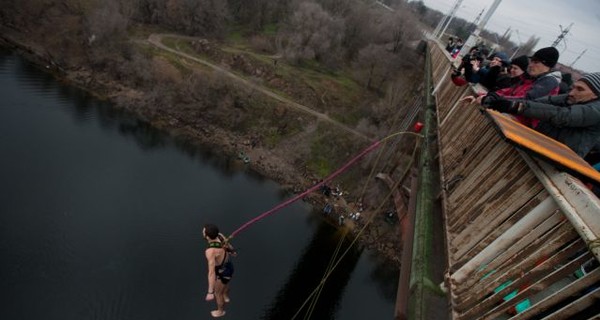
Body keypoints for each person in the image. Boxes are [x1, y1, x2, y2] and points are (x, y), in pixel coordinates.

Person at [481, 72, 600, 158]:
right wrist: (499, 100)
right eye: (573, 87)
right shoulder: (571, 97)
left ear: (596, 95)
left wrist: (516, 107)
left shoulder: (596, 110)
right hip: (537, 150)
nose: (572, 92)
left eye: (580, 89)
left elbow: (563, 116)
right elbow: (535, 103)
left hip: (558, 163)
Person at [203, 224, 235, 318]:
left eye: (203, 231)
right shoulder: (220, 236)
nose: (202, 232)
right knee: (225, 283)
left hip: (222, 271)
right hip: (229, 267)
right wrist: (232, 251)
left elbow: (211, 272)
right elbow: (230, 248)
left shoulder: (210, 251)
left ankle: (220, 311)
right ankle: (226, 296)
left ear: (207, 236)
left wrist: (210, 292)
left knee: (218, 293)